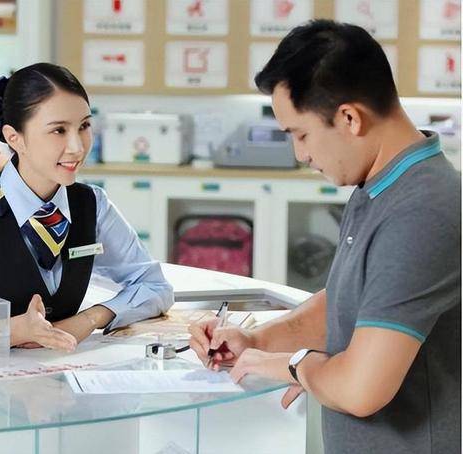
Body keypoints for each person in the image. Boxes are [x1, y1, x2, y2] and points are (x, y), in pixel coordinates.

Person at [189, 20, 460, 453]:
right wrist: (255, 341)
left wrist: (294, 364)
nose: (300, 154)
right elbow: (347, 304)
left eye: (301, 134)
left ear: (349, 118)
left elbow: (360, 390)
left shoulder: (421, 211)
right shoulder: (378, 185)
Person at [0, 62, 173, 351]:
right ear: (15, 138)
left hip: (66, 367)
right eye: (58, 130)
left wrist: (90, 318)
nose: (77, 147)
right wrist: (18, 331)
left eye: (84, 126)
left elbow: (155, 286)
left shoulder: (93, 205)